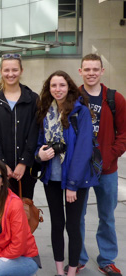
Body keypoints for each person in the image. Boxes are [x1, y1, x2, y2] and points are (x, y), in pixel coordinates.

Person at [35, 70, 98, 276]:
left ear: (69, 87)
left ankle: (72, 272)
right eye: (54, 85)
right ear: (49, 88)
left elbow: (83, 150)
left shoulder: (80, 112)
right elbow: (38, 144)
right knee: (57, 224)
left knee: (73, 226)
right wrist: (39, 155)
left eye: (62, 85)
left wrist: (72, 184)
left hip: (75, 180)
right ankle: (59, 271)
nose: (58, 89)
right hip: (51, 177)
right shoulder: (45, 111)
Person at [77, 54, 126, 276]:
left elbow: (124, 134)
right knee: (77, 216)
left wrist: (110, 157)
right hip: (80, 169)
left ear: (102, 71)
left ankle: (106, 259)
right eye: (87, 69)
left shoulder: (116, 99)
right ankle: (78, 258)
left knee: (107, 216)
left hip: (107, 170)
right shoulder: (73, 97)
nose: (91, 73)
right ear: (80, 72)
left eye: (95, 69)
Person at [0, 53, 39, 199]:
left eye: (14, 70)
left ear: (21, 71)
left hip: (25, 170)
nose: (10, 74)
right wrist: (3, 164)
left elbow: (34, 134)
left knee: (22, 211)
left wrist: (24, 162)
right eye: (6, 70)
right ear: (1, 72)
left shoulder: (32, 99)